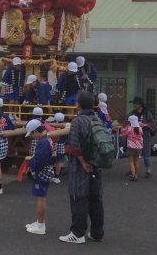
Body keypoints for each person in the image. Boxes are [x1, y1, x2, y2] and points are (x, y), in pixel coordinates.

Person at [59, 91, 104, 244]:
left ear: (78, 105)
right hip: (97, 165)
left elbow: (74, 146)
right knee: (95, 199)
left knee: (79, 197)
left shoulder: (78, 121)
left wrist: (83, 162)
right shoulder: (98, 119)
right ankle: (97, 232)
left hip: (81, 167)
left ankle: (77, 233)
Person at [25, 119, 55, 235]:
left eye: (32, 134)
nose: (32, 137)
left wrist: (32, 167)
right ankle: (39, 222)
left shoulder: (42, 142)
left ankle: (41, 225)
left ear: (36, 131)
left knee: (40, 197)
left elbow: (39, 161)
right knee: (39, 197)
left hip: (41, 172)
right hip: (47, 169)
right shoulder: (48, 139)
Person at [128, 96, 154, 178]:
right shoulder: (132, 113)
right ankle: (133, 170)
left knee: (146, 153)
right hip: (134, 137)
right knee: (134, 155)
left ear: (140, 104)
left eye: (135, 103)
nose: (134, 105)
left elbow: (152, 124)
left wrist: (145, 125)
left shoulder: (146, 112)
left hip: (145, 134)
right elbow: (126, 121)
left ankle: (148, 171)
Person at [119, 115, 143, 181]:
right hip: (139, 146)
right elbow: (141, 134)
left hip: (131, 146)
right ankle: (136, 175)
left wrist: (125, 127)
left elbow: (123, 132)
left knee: (131, 161)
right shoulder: (140, 128)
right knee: (137, 161)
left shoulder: (129, 128)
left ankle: (133, 175)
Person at [52, 112, 66, 184]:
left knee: (49, 160)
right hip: (61, 143)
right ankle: (56, 176)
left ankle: (49, 175)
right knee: (59, 161)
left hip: (52, 144)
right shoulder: (64, 126)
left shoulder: (51, 124)